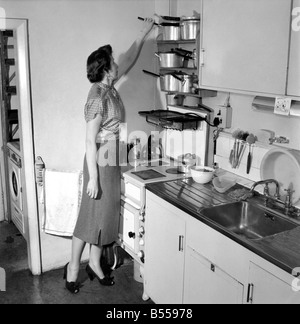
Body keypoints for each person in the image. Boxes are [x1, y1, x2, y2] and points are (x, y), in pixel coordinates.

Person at [63, 17, 155, 294]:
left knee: (105, 218)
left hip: (112, 157)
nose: (117, 64)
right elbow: (89, 141)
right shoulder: (97, 96)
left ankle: (94, 262)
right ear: (105, 69)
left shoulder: (110, 88)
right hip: (99, 160)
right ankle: (73, 268)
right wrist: (92, 177)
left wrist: (143, 33)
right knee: (89, 218)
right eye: (113, 62)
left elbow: (129, 60)